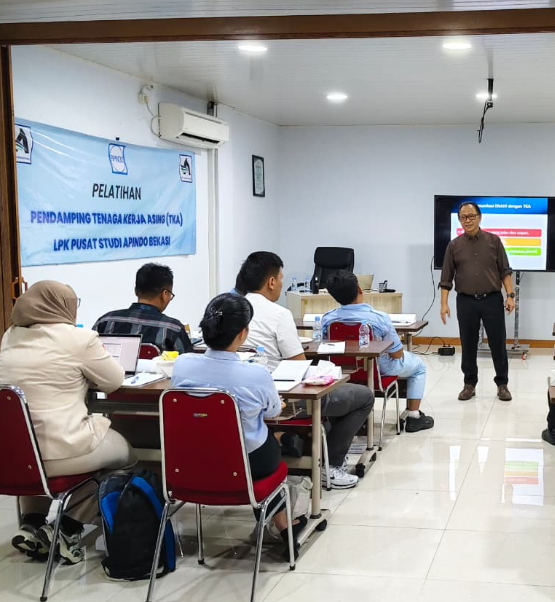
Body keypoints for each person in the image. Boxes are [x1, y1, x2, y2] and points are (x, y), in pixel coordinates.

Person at [0, 281, 135, 563]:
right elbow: (113, 380)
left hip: (16, 456)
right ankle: (67, 528)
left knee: (37, 449)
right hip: (64, 450)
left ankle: (31, 525)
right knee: (128, 455)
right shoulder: (79, 339)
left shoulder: (10, 336)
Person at [171, 293, 306, 557]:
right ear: (243, 333)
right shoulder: (256, 374)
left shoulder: (182, 365)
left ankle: (280, 522)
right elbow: (274, 411)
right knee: (265, 443)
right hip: (246, 464)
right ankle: (283, 525)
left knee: (253, 440)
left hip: (192, 461)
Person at [240, 251, 374, 490]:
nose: (282, 284)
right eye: (281, 279)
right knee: (363, 396)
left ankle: (305, 445)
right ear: (271, 282)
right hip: (284, 401)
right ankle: (330, 466)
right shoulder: (278, 314)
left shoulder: (233, 308)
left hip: (241, 400)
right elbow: (298, 364)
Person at [321, 270, 434, 433]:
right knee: (419, 367)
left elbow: (324, 348)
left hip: (343, 372)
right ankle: (414, 416)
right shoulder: (379, 318)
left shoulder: (328, 319)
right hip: (378, 371)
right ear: (359, 290)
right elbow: (397, 354)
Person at [439, 201, 515, 401]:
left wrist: (510, 295)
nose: (467, 220)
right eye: (463, 217)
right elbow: (446, 278)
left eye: (471, 216)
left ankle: (502, 384)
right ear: (459, 220)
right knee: (468, 344)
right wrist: (444, 304)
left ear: (479, 218)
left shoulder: (494, 241)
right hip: (466, 302)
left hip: (492, 299)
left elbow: (505, 271)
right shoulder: (454, 246)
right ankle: (469, 384)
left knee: (497, 343)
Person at [93, 263, 193, 354]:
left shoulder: (104, 322)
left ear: (136, 291)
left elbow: (88, 356)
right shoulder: (173, 329)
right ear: (165, 294)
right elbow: (187, 364)